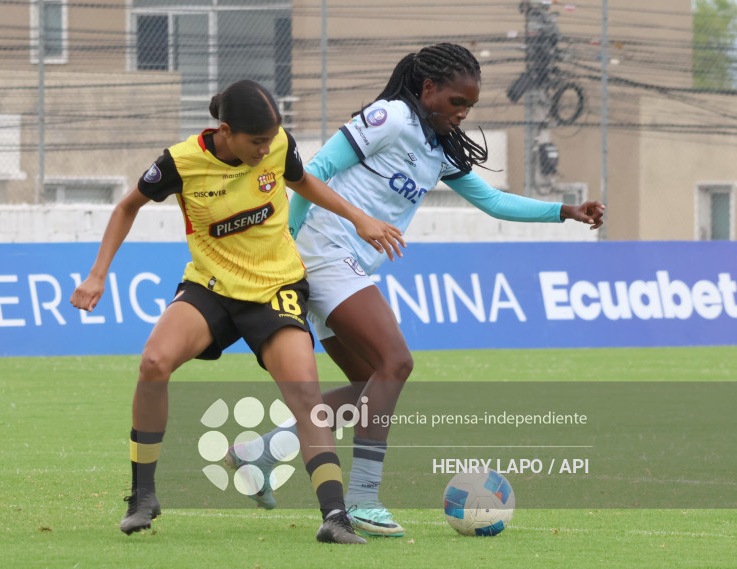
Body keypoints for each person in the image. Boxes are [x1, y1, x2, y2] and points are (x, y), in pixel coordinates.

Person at [229, 44, 605, 538]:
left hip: (342, 261)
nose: (463, 113)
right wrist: (288, 247)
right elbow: (312, 172)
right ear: (428, 89)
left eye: (469, 106)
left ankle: (260, 451)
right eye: (455, 102)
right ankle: (362, 499)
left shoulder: (440, 146)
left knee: (370, 384)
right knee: (397, 361)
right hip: (321, 250)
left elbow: (491, 201)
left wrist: (563, 212)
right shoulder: (391, 116)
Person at [69, 79, 405, 545]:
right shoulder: (180, 162)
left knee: (305, 396)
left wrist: (359, 218)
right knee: (153, 362)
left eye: (271, 139)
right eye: (256, 141)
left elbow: (302, 180)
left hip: (276, 286)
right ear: (224, 131)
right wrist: (97, 274)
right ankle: (142, 496)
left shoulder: (276, 145)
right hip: (211, 287)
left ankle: (335, 517)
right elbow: (128, 207)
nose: (266, 148)